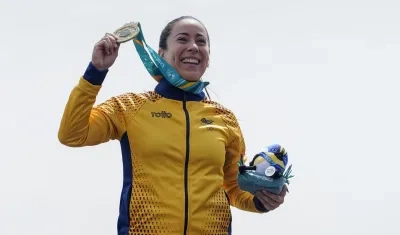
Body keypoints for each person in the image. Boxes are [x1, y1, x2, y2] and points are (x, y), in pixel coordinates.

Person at [58, 16, 287, 235]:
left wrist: (262, 201)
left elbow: (234, 189)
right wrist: (96, 71)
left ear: (208, 57)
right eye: (182, 39)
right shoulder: (129, 108)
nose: (193, 46)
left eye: (201, 41)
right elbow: (72, 134)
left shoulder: (224, 118)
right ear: (161, 54)